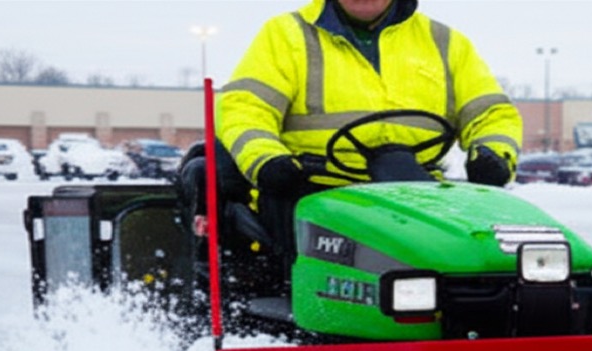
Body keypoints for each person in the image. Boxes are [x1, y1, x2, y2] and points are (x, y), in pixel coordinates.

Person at [215, 0, 522, 260]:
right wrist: (267, 160)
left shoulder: (445, 42)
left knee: (469, 252)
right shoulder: (285, 35)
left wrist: (494, 154)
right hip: (314, 187)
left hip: (418, 193)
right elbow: (246, 108)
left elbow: (491, 112)